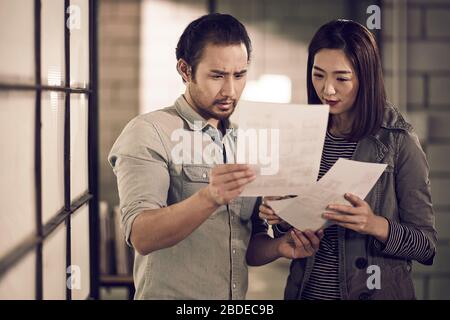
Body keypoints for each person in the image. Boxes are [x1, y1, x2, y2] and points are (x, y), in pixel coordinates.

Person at [108, 13, 320, 300]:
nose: (230, 91)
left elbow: (246, 243)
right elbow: (141, 236)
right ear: (185, 70)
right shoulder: (149, 131)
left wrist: (280, 246)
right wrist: (210, 197)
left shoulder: (245, 138)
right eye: (217, 76)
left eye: (239, 75)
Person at [246, 19, 437, 300]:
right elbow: (287, 231)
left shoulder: (398, 141)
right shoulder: (301, 133)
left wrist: (373, 224)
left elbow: (427, 246)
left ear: (365, 78)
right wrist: (282, 214)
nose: (327, 90)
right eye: (318, 75)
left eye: (341, 78)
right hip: (305, 291)